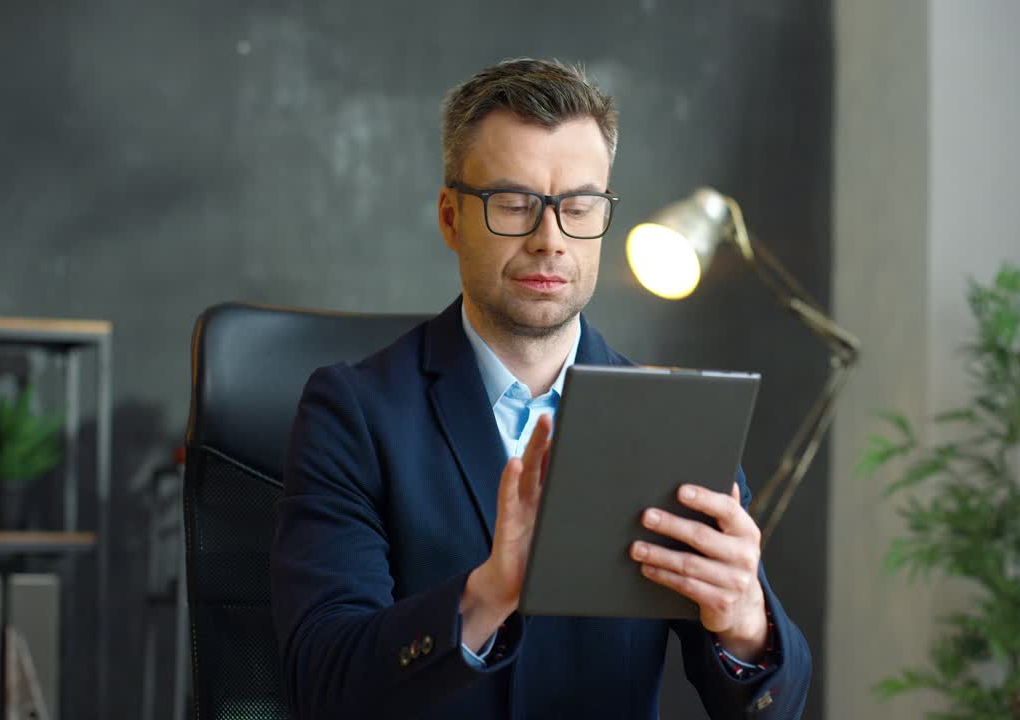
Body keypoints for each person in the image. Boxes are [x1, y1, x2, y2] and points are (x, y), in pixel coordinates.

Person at [271, 58, 811, 719]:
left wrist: (746, 624)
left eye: (578, 206)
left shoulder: (670, 419)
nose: (549, 240)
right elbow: (323, 684)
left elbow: (769, 707)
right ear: (450, 217)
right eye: (513, 203)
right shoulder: (353, 412)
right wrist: (486, 596)